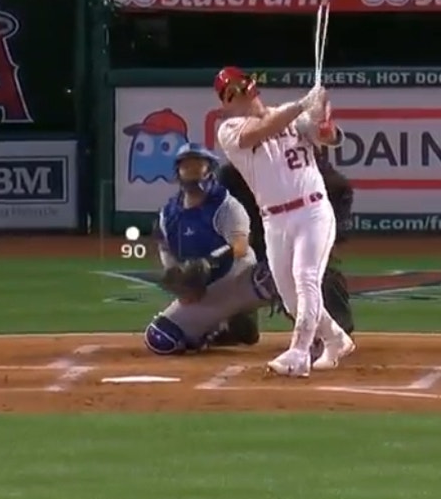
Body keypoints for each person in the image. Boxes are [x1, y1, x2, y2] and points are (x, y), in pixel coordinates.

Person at [213, 66, 354, 378]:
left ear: (251, 85)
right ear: (224, 103)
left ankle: (299, 353)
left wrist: (322, 119)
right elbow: (258, 132)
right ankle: (335, 339)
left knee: (306, 279)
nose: (235, 94)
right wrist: (304, 104)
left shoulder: (290, 117)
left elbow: (327, 137)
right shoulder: (230, 130)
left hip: (312, 211)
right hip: (274, 220)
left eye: (238, 86)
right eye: (227, 93)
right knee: (290, 298)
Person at [142, 144, 284, 356]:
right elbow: (167, 252)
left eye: (199, 167)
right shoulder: (168, 214)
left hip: (238, 276)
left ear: (210, 170)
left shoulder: (226, 205)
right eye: (187, 167)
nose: (193, 173)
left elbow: (240, 245)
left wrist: (210, 262)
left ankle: (315, 332)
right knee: (162, 338)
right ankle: (217, 326)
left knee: (279, 277)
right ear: (178, 172)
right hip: (204, 292)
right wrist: (182, 284)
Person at [218, 145, 355, 337]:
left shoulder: (296, 158)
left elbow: (339, 187)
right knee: (229, 265)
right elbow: (219, 212)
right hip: (255, 230)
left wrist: (327, 233)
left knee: (314, 271)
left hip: (300, 225)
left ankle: (335, 328)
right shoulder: (232, 174)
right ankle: (236, 325)